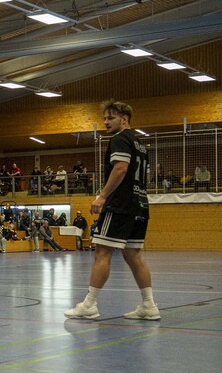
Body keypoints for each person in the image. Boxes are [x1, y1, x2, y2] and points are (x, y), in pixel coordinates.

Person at [66, 100, 159, 321]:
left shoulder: (119, 139)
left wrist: (103, 196)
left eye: (111, 118)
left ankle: (89, 305)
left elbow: (120, 168)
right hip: (140, 205)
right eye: (105, 118)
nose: (106, 122)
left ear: (124, 119)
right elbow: (146, 176)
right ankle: (149, 305)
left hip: (120, 206)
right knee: (133, 254)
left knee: (102, 252)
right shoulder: (140, 144)